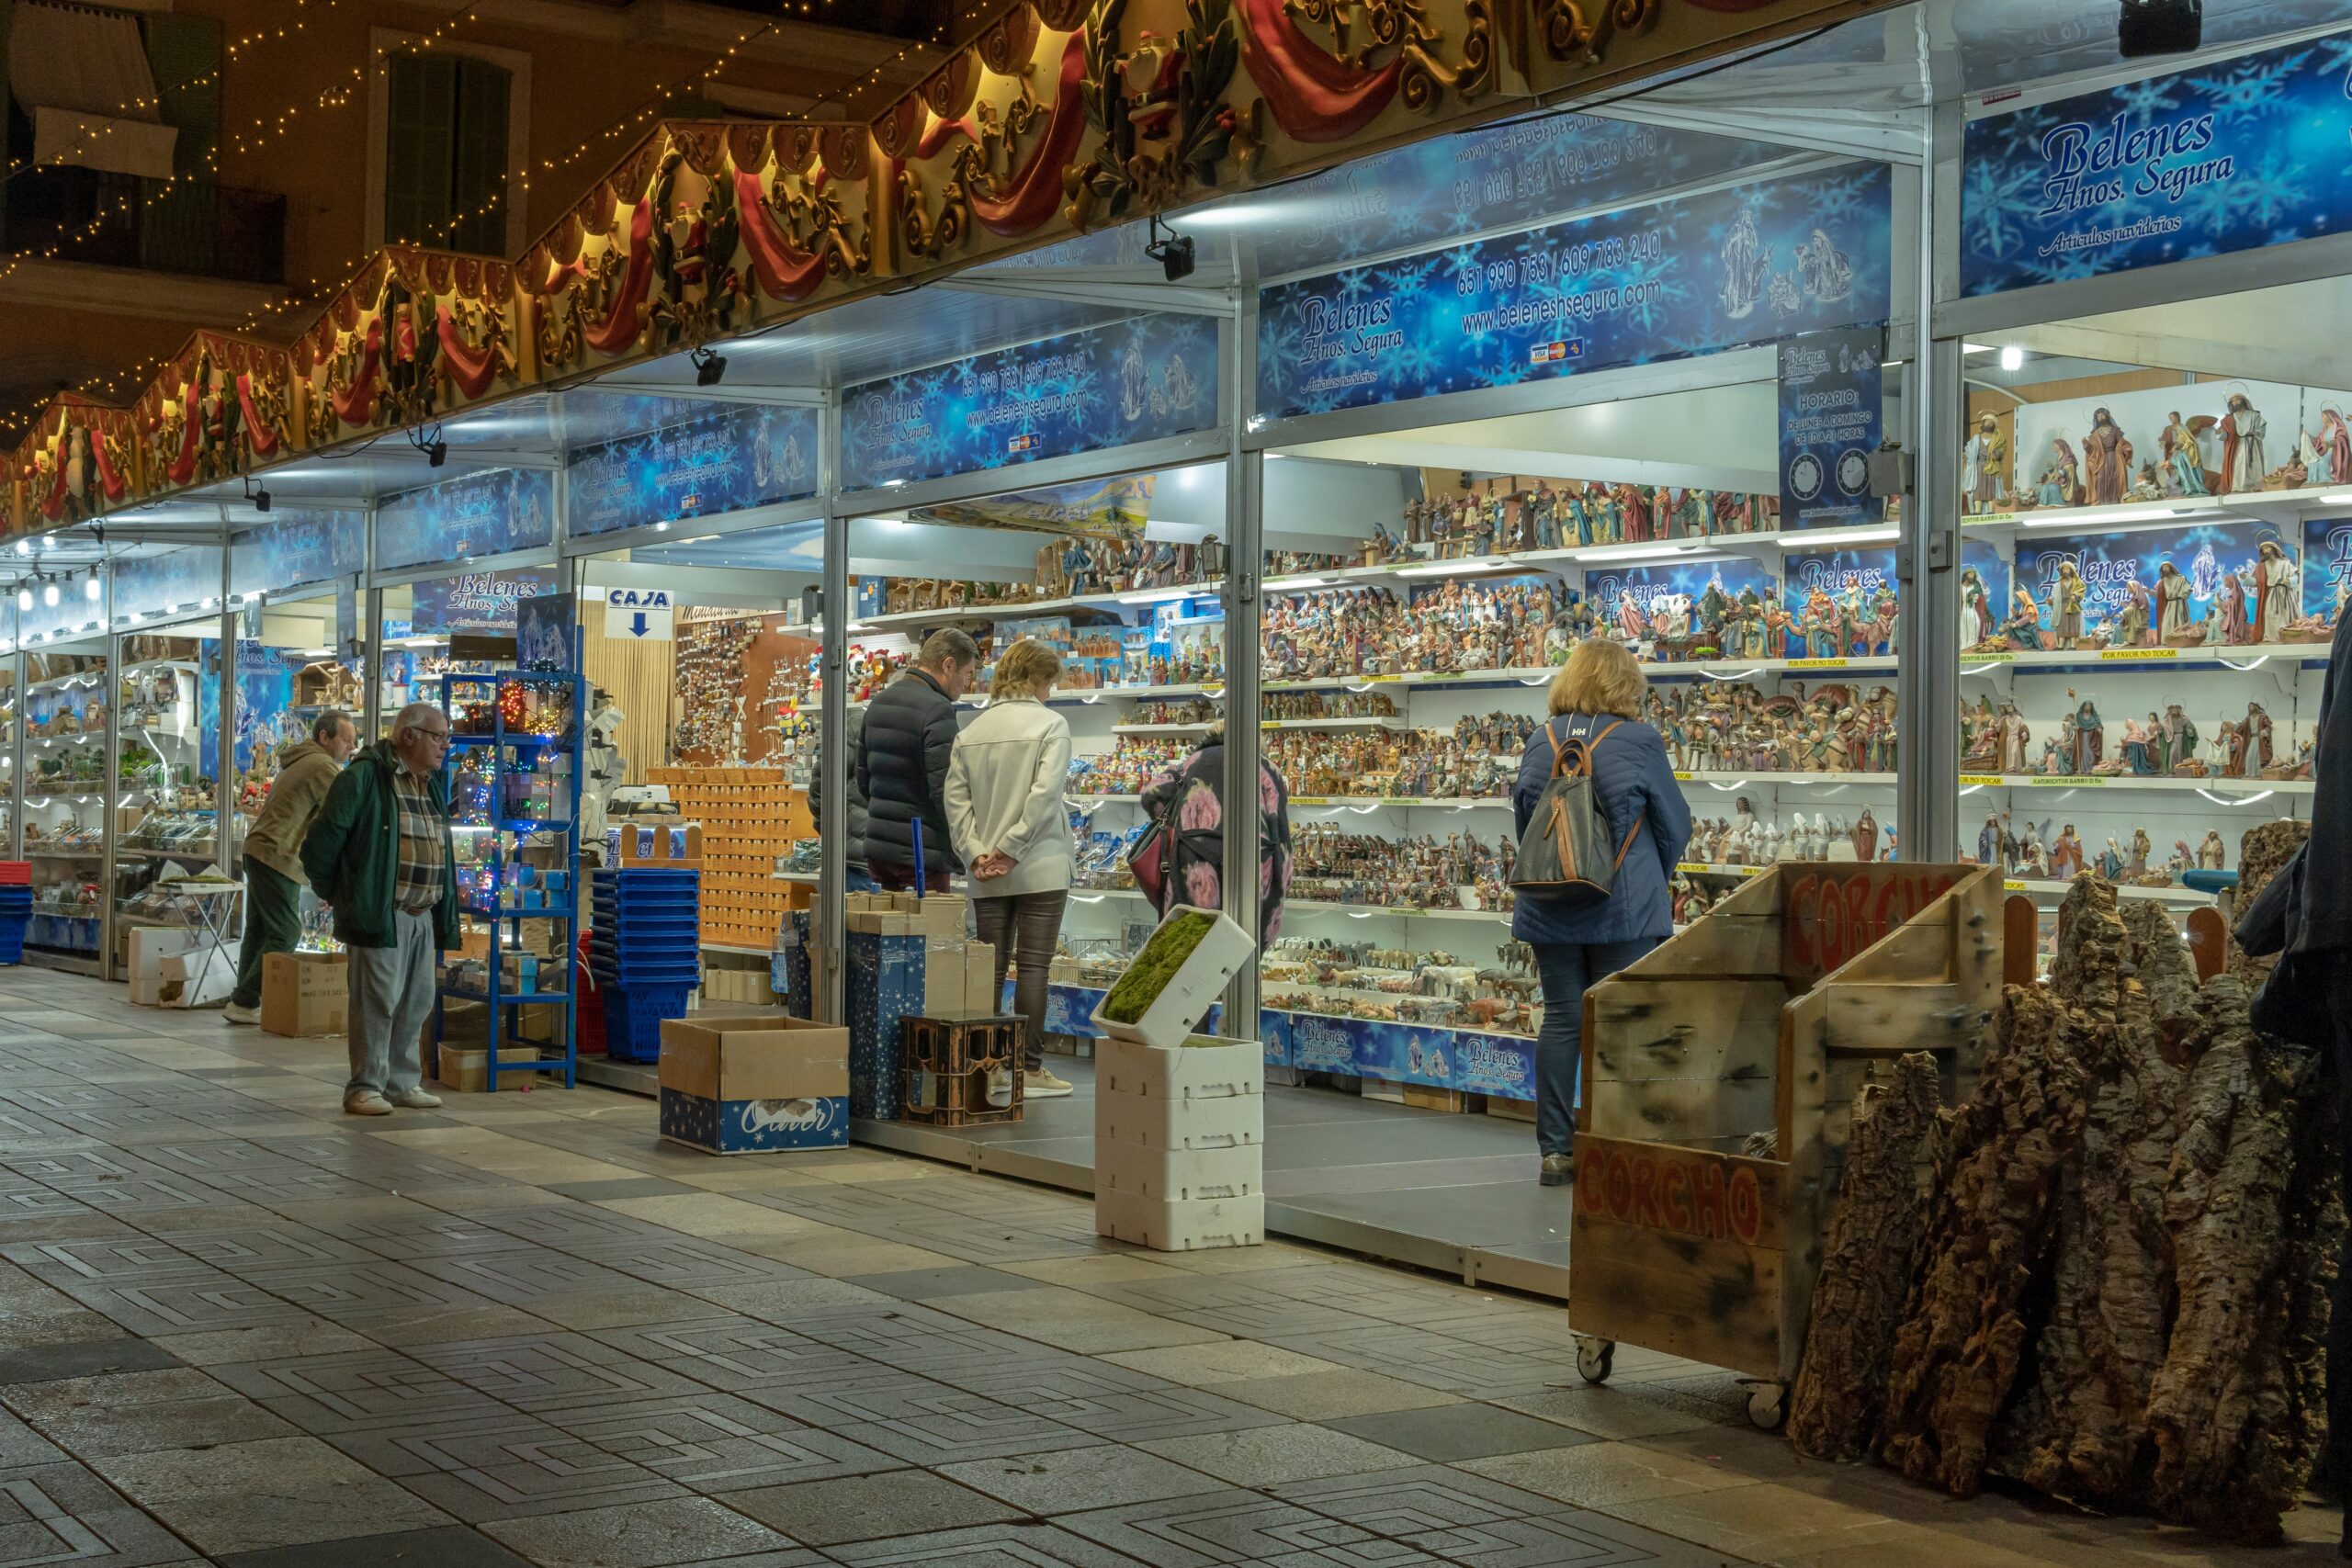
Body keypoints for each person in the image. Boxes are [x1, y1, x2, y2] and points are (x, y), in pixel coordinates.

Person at [1510, 637, 1692, 1187]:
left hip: (1549, 907)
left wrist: (1556, 875)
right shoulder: (1640, 741)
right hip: (1626, 909)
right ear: (1625, 685)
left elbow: (1524, 821)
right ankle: (1615, 1145)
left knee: (1563, 1019)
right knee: (1622, 1023)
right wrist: (1647, 877)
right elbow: (1674, 823)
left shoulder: (1539, 742)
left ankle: (1555, 1153)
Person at [300, 702, 458, 1116]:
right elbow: (319, 847)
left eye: (446, 737)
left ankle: (402, 1082)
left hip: (422, 912)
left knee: (416, 1001)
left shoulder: (431, 783)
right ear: (409, 736)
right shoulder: (363, 779)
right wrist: (349, 895)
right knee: (377, 1003)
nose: (446, 745)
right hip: (383, 913)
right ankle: (365, 1086)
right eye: (438, 736)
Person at [944, 639, 1075, 1098]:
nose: (1051, 693)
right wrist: (1014, 849)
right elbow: (1045, 797)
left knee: (991, 969)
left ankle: (987, 1067)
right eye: (1050, 684)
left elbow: (955, 804)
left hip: (985, 872)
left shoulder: (970, 731)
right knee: (1034, 968)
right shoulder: (1051, 725)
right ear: (1037, 680)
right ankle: (1030, 1069)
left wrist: (978, 852)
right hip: (1040, 865)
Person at [224, 709, 356, 1025]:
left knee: (257, 932)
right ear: (325, 737)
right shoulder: (324, 766)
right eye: (347, 740)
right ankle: (244, 999)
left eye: (354, 741)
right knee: (286, 932)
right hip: (277, 854)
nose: (352, 747)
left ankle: (244, 1003)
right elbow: (343, 813)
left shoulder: (300, 760)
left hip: (260, 849)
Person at [1137, 726, 1290, 944]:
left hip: (1192, 865)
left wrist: (1182, 820)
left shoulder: (1192, 762)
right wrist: (1279, 885)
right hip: (1253, 869)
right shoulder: (1267, 768)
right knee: (1241, 949)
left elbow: (1151, 794)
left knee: (1191, 950)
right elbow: (1282, 839)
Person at [860, 627, 978, 892]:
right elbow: (945, 792)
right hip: (922, 853)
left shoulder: (879, 702)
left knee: (883, 930)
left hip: (879, 850)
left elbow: (863, 780)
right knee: (930, 932)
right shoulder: (938, 709)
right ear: (948, 665)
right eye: (967, 673)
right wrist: (969, 845)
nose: (967, 683)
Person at [808, 706, 876, 892]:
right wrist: (836, 836)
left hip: (890, 865)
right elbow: (821, 787)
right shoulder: (856, 728)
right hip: (855, 866)